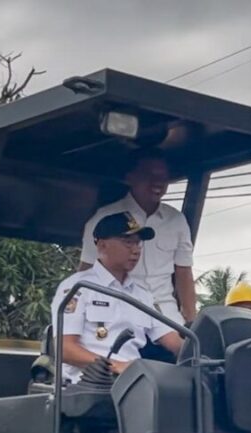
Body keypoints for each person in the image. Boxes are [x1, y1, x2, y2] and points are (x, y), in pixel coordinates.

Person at [53, 212, 182, 383]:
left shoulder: (142, 295)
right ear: (102, 245)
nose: (136, 250)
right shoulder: (78, 287)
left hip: (132, 385)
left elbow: (172, 341)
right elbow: (65, 349)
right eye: (127, 242)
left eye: (138, 243)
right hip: (87, 386)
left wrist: (204, 353)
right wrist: (115, 365)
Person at [80, 150, 196, 326]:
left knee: (189, 350)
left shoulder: (177, 220)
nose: (157, 181)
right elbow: (87, 270)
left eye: (163, 176)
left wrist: (192, 320)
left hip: (166, 316)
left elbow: (184, 272)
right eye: (149, 174)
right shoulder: (102, 219)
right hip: (119, 313)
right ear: (130, 177)